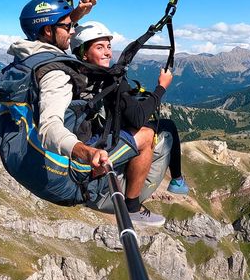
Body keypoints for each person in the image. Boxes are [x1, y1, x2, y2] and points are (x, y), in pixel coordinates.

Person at [5, 0, 164, 226]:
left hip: (19, 155)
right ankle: (132, 207)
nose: (72, 30)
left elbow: (53, 36)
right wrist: (85, 152)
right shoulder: (54, 75)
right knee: (147, 135)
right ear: (48, 30)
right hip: (66, 170)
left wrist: (78, 13)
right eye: (68, 26)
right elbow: (49, 129)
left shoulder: (29, 53)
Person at [71, 21, 189, 197]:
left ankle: (177, 180)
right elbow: (138, 118)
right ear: (84, 53)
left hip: (82, 142)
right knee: (154, 131)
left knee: (166, 124)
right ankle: (134, 205)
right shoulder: (111, 80)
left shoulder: (77, 74)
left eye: (109, 47)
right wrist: (161, 87)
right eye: (99, 47)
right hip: (94, 150)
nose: (108, 52)